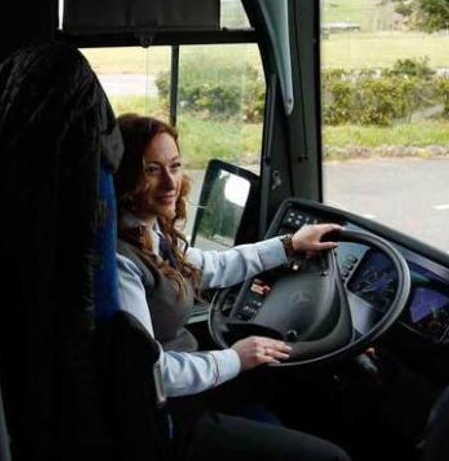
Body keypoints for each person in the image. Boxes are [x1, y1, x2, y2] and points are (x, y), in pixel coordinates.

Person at [113, 114, 350, 461]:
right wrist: (235, 358)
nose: (170, 182)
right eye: (152, 169)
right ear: (126, 176)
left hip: (193, 385)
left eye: (175, 166)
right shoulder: (122, 261)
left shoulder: (149, 231)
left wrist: (288, 244)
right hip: (171, 417)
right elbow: (154, 373)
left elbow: (208, 266)